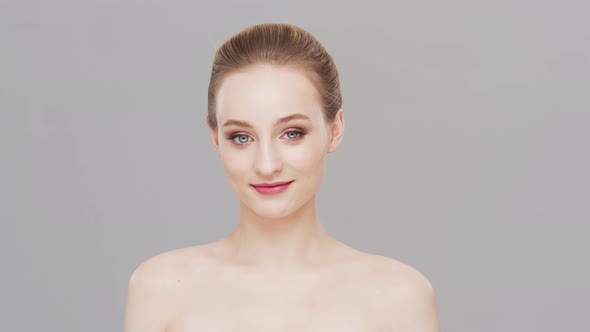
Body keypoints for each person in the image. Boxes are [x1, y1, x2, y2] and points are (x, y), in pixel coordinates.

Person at [123, 23, 441, 332]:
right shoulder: (160, 288)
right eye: (241, 137)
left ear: (335, 130)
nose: (266, 164)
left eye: (292, 133)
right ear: (216, 140)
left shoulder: (400, 297)